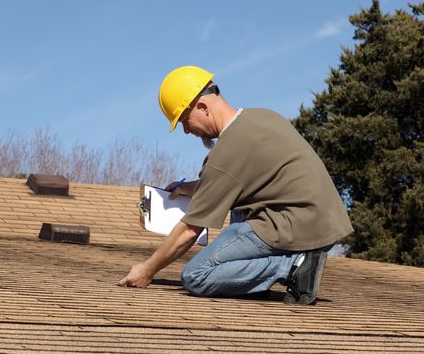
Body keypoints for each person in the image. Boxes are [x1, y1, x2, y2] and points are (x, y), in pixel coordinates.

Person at [118, 66, 353, 305]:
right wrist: (191, 187)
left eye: (184, 121)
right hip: (322, 220)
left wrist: (148, 269)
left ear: (202, 107)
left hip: (297, 226)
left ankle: (294, 266)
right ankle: (254, 282)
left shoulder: (226, 152)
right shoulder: (261, 117)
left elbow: (190, 230)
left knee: (196, 275)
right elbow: (239, 178)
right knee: (237, 204)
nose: (187, 131)